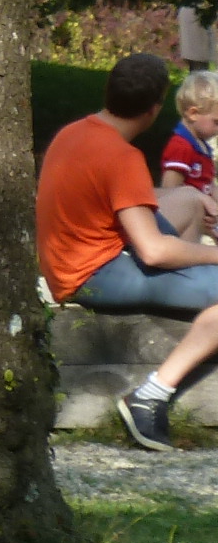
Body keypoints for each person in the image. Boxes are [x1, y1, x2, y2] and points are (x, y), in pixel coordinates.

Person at [40, 53, 218, 450]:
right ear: (155, 108)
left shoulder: (75, 132)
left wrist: (192, 198)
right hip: (91, 277)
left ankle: (199, 300)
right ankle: (149, 397)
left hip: (72, 258)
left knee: (187, 199)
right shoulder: (123, 157)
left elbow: (114, 198)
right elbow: (153, 252)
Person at [156, 68, 218, 242]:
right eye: (216, 122)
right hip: (184, 225)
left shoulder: (202, 145)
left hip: (203, 218)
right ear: (193, 113)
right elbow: (170, 190)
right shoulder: (181, 146)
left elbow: (208, 184)